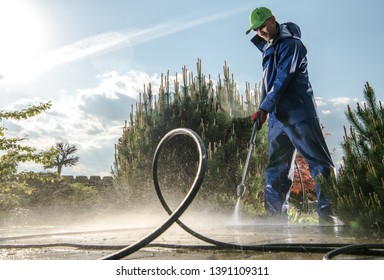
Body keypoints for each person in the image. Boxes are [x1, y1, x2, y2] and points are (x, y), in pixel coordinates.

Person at [246, 7, 336, 224]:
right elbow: (266, 86)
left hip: (298, 112)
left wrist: (266, 107)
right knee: (277, 166)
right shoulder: (268, 48)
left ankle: (327, 215)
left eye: (263, 26)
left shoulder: (291, 44)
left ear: (273, 20)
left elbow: (283, 79)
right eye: (256, 30)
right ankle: (275, 216)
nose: (260, 32)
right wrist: (261, 109)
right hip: (278, 117)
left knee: (318, 162)